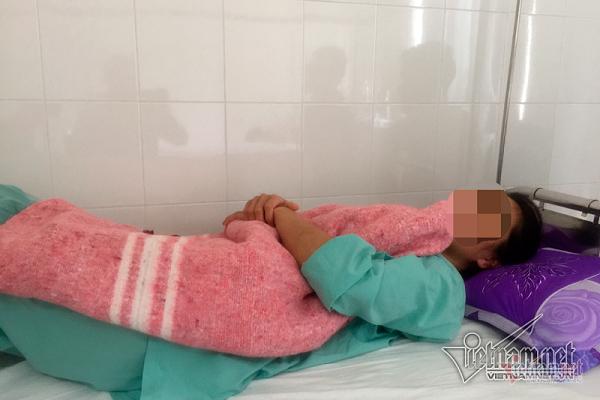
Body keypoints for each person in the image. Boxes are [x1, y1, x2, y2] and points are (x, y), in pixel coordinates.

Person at [0, 184, 543, 400]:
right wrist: (265, 218)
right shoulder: (403, 230)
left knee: (43, 263)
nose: (476, 208)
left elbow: (345, 276)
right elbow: (302, 241)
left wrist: (281, 215)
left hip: (192, 336)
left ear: (489, 257)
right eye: (482, 198)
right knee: (37, 219)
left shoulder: (441, 289)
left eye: (493, 218)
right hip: (217, 274)